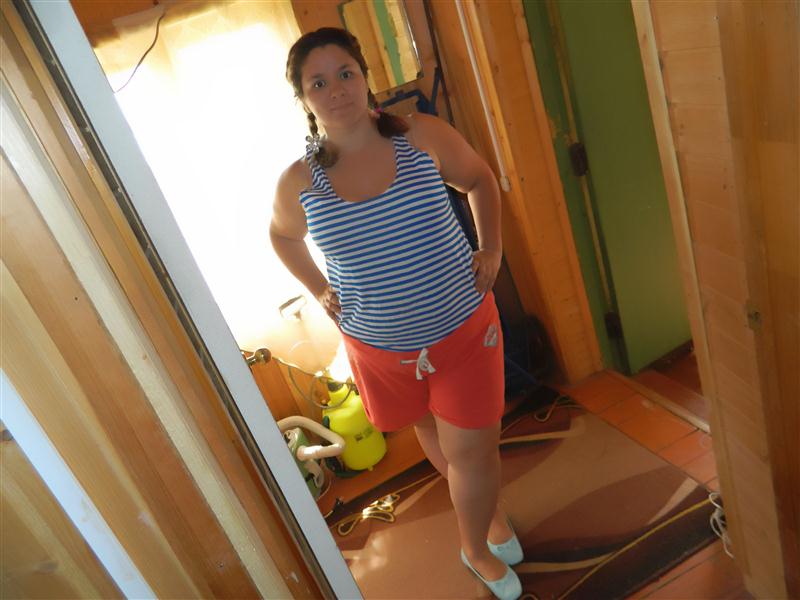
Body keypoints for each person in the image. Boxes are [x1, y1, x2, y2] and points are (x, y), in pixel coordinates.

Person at [270, 27, 523, 600]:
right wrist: (318, 288)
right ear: (303, 98)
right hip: (380, 350)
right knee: (433, 430)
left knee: (472, 450)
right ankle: (487, 513)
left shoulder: (421, 135)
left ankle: (474, 547)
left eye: (345, 73)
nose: (336, 89)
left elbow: (479, 178)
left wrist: (491, 248)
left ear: (365, 77)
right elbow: (282, 237)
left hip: (463, 331)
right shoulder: (299, 182)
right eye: (318, 82)